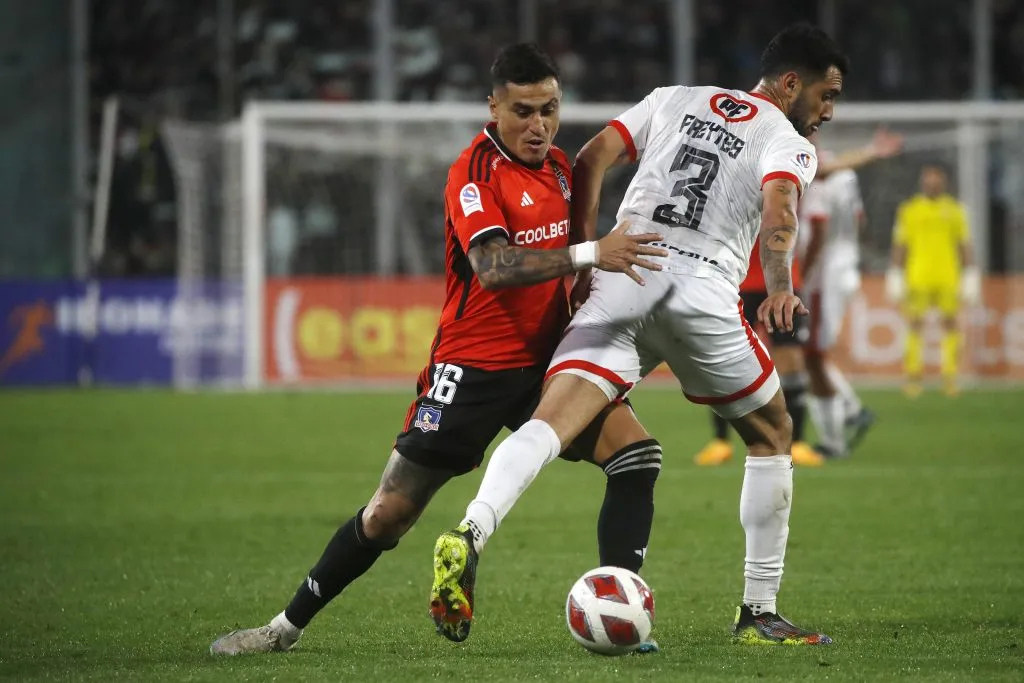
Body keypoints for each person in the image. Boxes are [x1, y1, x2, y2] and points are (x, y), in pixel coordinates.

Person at [209, 43, 668, 656]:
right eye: (525, 111)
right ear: (494, 106)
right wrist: (591, 253)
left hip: (547, 365)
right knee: (388, 515)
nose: (540, 126)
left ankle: (620, 609)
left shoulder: (559, 167)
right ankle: (282, 629)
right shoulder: (474, 173)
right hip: (471, 369)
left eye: (550, 110)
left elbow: (581, 261)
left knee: (635, 457)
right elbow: (495, 266)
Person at [430, 23, 848, 646]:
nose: (829, 111)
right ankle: (758, 613)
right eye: (827, 95)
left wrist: (587, 255)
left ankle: (470, 531)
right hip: (701, 293)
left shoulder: (673, 97)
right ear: (791, 84)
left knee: (549, 423)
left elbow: (592, 156)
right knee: (773, 432)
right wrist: (782, 284)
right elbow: (780, 207)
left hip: (623, 270)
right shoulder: (784, 138)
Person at [692, 240, 823, 467]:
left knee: (790, 360)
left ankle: (799, 442)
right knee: (724, 358)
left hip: (782, 282)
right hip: (737, 280)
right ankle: (721, 441)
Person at [885, 164, 980, 397]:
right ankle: (913, 377)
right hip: (917, 276)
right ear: (922, 183)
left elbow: (964, 243)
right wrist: (895, 273)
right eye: (928, 181)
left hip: (948, 276)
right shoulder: (910, 210)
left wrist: (970, 273)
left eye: (936, 181)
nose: (932, 185)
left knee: (950, 324)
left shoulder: (955, 210)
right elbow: (901, 244)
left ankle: (949, 376)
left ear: (943, 183)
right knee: (915, 324)